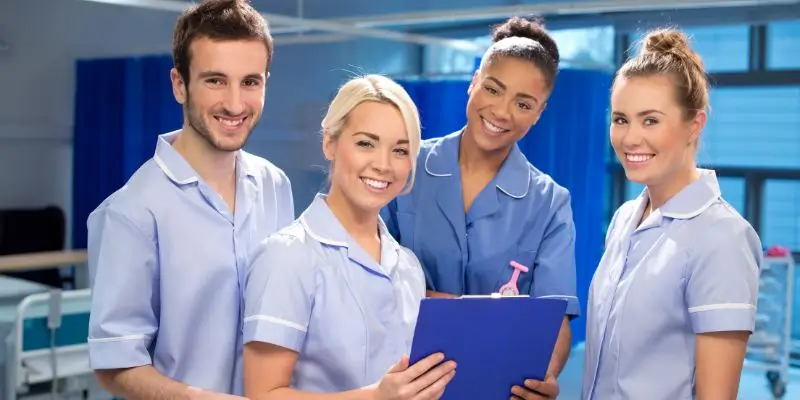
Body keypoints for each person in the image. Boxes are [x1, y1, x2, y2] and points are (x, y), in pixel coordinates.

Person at [86, 0, 295, 398]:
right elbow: (116, 365)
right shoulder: (131, 212)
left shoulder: (275, 185)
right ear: (179, 84)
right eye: (215, 80)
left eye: (250, 82)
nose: (235, 104)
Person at [381, 16, 578, 399]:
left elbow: (556, 317)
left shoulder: (550, 203)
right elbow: (368, 278)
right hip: (402, 383)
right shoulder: (406, 166)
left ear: (539, 112)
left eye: (524, 103)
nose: (502, 112)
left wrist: (544, 375)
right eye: (493, 89)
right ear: (474, 82)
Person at [242, 74, 457, 399]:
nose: (383, 165)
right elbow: (263, 394)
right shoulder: (287, 257)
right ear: (329, 143)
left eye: (400, 150)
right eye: (365, 143)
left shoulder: (408, 268)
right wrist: (375, 398)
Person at [582, 28, 762, 399]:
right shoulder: (624, 219)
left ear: (694, 124)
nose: (631, 138)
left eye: (650, 120)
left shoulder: (721, 237)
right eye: (620, 119)